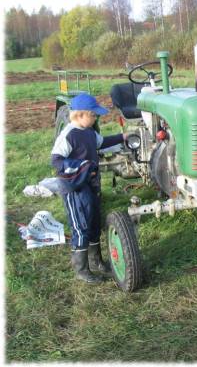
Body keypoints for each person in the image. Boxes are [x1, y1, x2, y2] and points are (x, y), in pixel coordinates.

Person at [51, 94, 126, 284]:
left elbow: (102, 143)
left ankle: (97, 262)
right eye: (93, 115)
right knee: (80, 225)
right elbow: (57, 160)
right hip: (75, 188)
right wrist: (82, 166)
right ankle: (82, 269)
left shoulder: (90, 132)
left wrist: (122, 137)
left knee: (93, 223)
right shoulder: (69, 134)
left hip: (92, 185)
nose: (95, 118)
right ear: (80, 115)